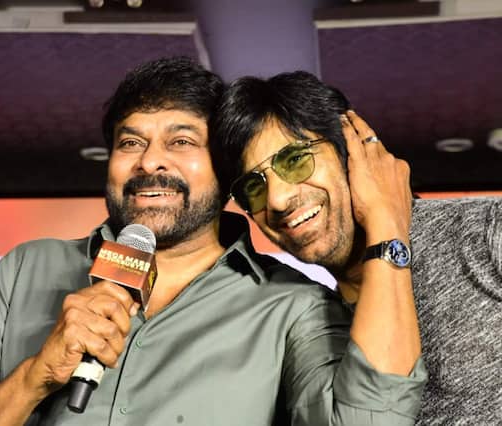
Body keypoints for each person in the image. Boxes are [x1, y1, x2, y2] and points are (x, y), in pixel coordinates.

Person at [0, 57, 426, 426]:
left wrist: (386, 223)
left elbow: (373, 419)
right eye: (130, 142)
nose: (150, 161)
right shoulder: (26, 269)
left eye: (182, 141)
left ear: (226, 173)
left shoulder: (294, 307)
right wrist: (36, 376)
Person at [210, 71, 502, 425]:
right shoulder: (312, 333)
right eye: (253, 188)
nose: (277, 200)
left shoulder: (485, 229)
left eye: (295, 160)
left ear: (352, 149)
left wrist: (385, 220)